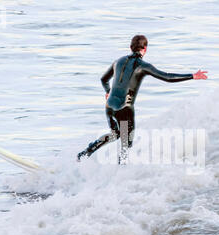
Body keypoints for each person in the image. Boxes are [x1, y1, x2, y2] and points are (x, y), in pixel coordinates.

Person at [77, 35, 208, 163]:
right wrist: (192, 76)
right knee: (126, 145)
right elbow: (167, 77)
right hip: (124, 109)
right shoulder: (143, 65)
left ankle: (86, 153)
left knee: (114, 134)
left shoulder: (118, 61)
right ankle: (120, 173)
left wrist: (108, 91)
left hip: (109, 106)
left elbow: (103, 79)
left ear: (130, 47)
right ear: (145, 49)